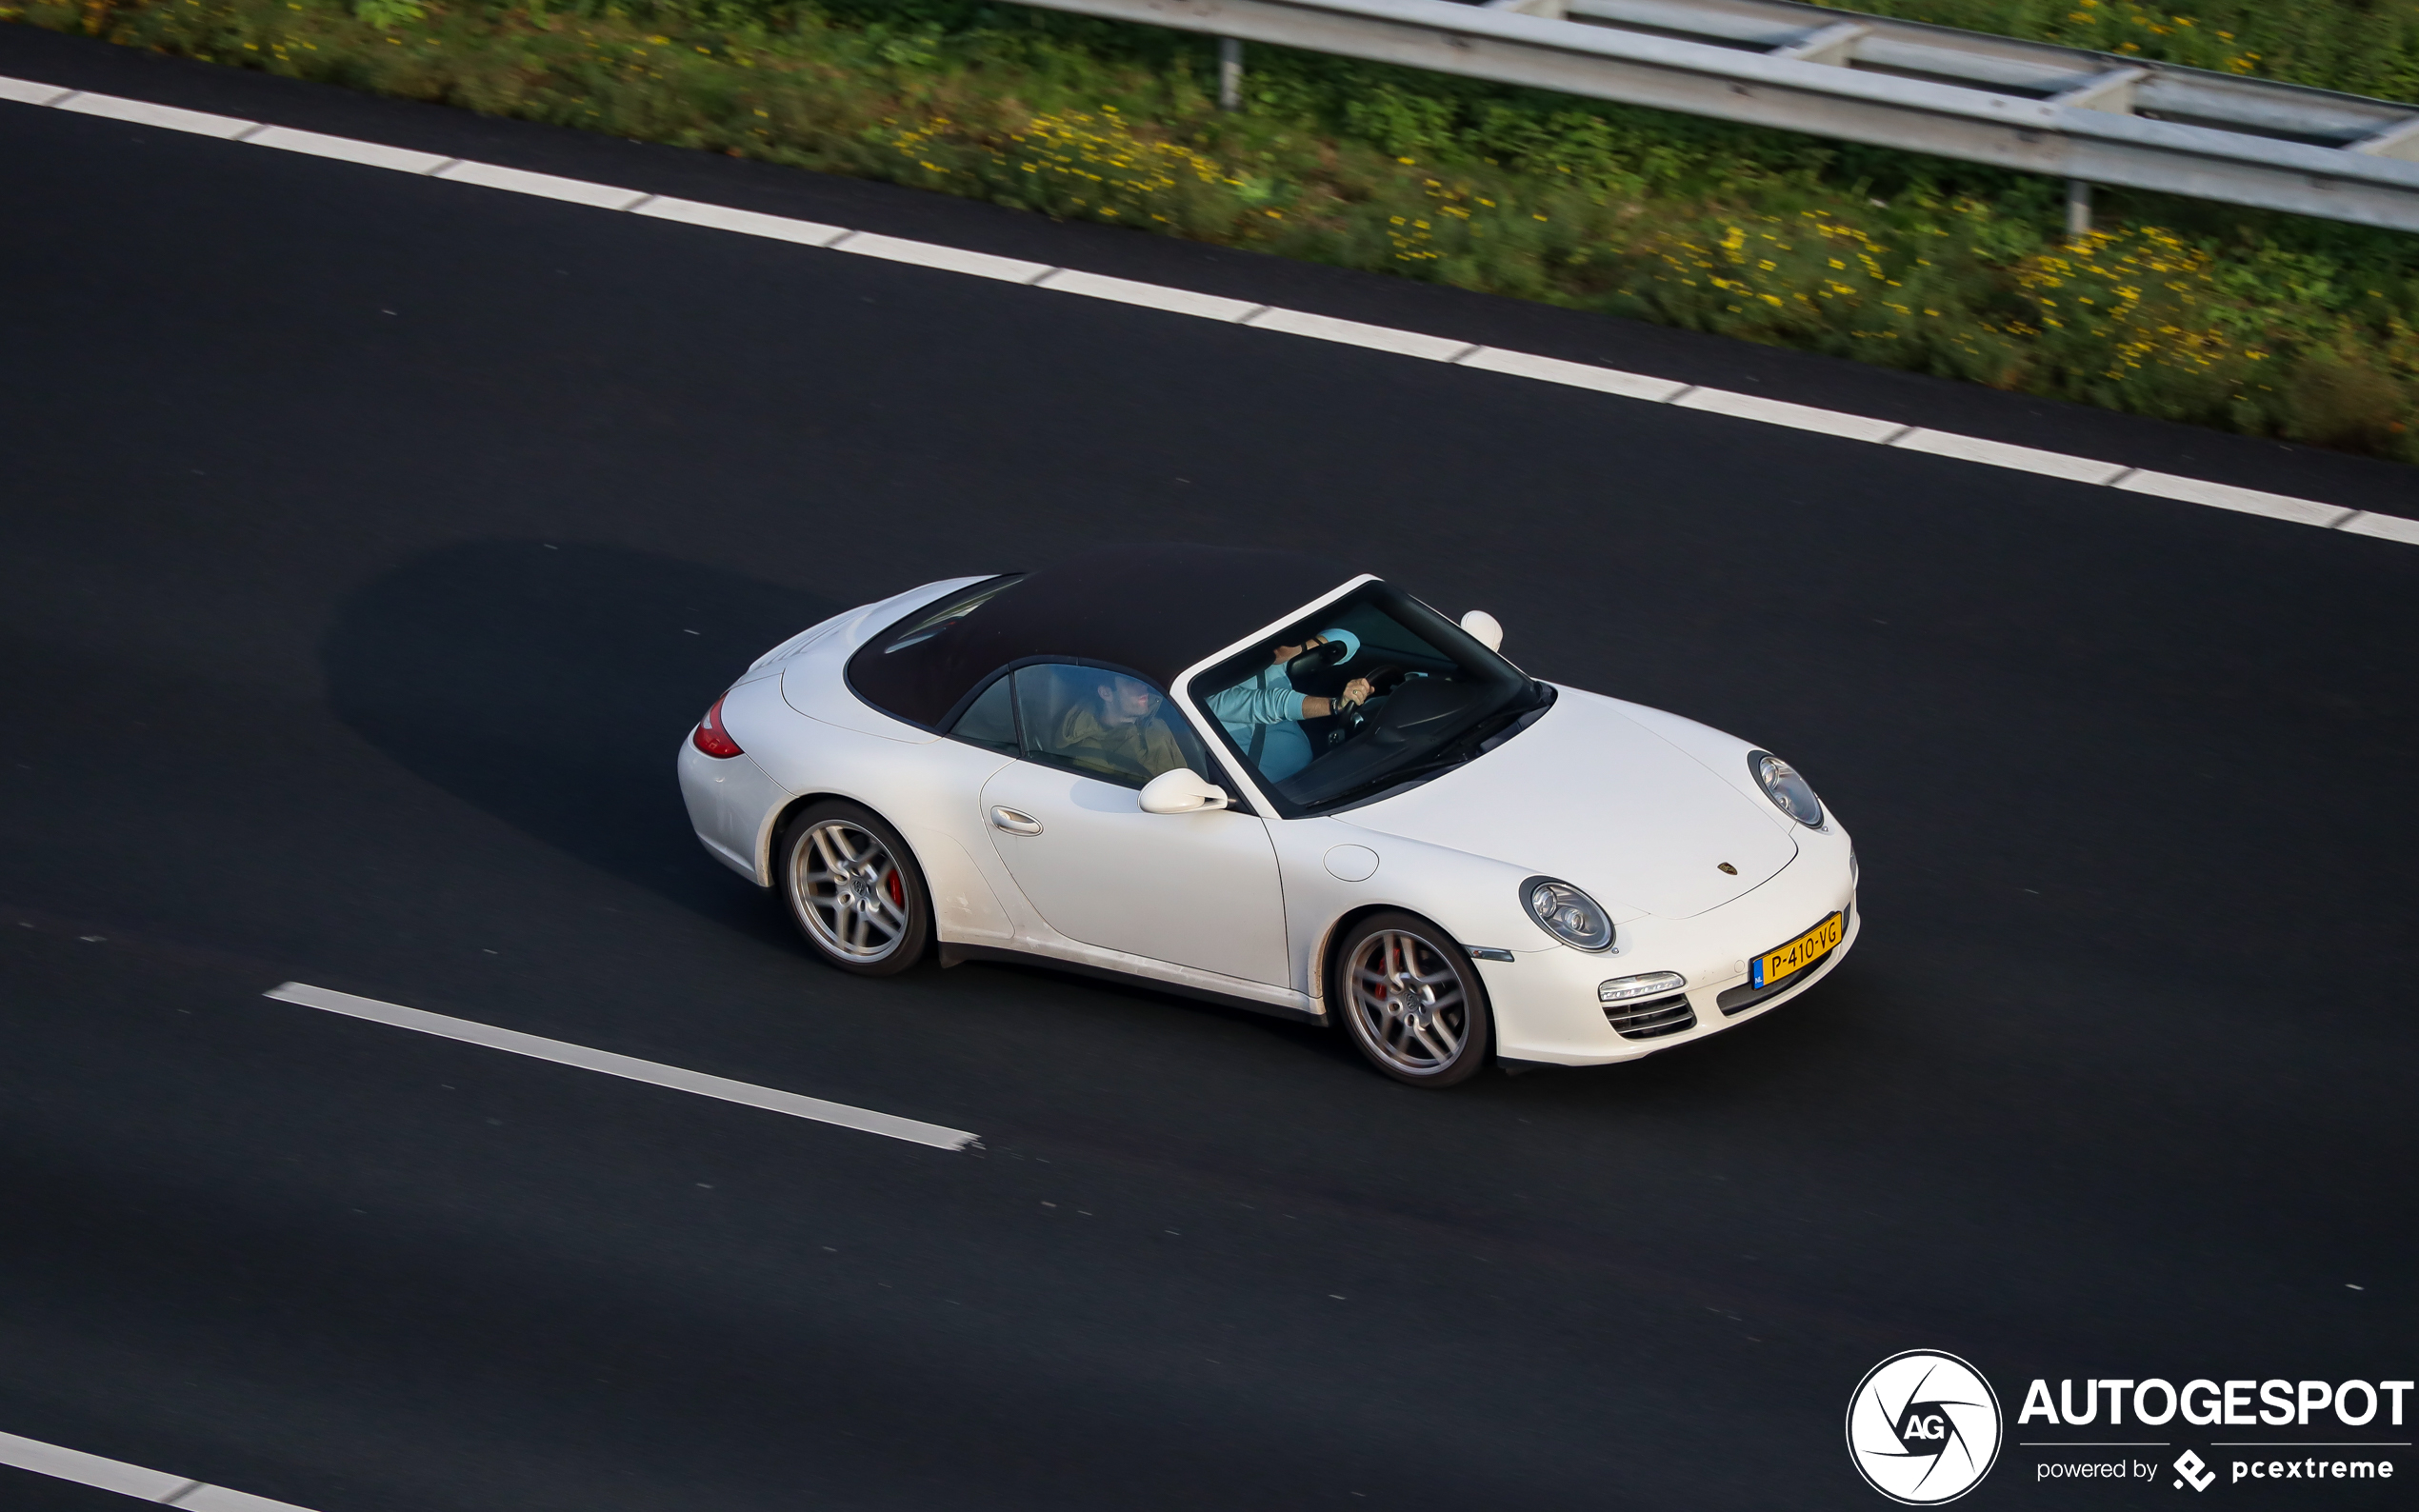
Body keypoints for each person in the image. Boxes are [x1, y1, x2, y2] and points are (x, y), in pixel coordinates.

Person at [1206, 629, 1374, 783]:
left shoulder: (1266, 654)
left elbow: (1348, 639)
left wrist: (1296, 650)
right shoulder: (1205, 690)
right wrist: (1336, 705)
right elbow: (1272, 704)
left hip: (1311, 768)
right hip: (1272, 790)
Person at [1054, 671, 1190, 784]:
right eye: (1131, 682)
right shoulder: (1090, 753)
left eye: (1142, 679)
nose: (1144, 687)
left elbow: (1186, 779)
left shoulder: (1158, 726)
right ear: (1106, 693)